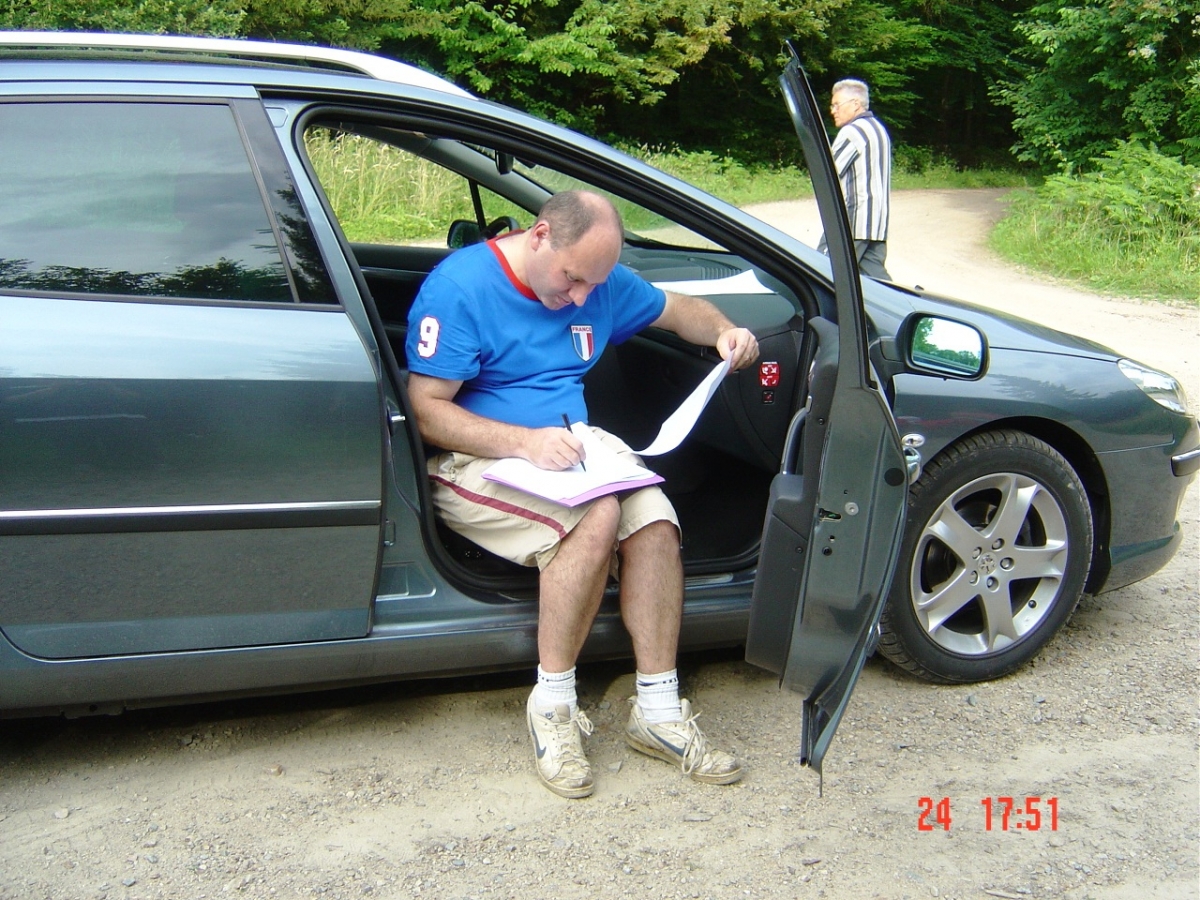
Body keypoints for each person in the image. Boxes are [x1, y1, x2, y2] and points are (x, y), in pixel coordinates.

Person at [405, 190, 759, 798]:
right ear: (540, 235)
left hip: (574, 449)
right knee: (596, 516)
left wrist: (726, 332)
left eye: (592, 285)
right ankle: (553, 708)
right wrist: (524, 442)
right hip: (479, 457)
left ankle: (658, 711)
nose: (580, 298)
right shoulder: (460, 289)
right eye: (572, 279)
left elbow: (678, 311)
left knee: (655, 524)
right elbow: (426, 412)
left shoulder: (596, 281)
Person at [825, 78, 892, 280]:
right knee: (877, 283)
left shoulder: (852, 131)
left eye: (837, 105)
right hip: (876, 223)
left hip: (853, 221)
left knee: (822, 272)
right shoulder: (879, 129)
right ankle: (906, 301)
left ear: (855, 104)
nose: (833, 111)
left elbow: (829, 173)